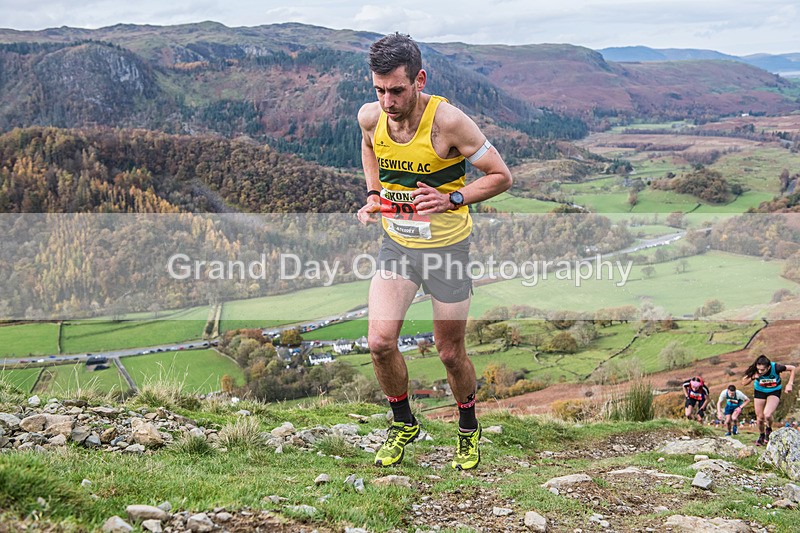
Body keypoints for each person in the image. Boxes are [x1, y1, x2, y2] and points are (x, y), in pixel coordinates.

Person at [356, 33, 512, 470]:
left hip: (447, 250)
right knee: (380, 343)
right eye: (379, 90)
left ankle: (467, 427)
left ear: (419, 80)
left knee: (449, 352)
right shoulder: (371, 117)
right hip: (398, 246)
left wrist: (453, 199)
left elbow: (500, 176)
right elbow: (369, 146)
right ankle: (403, 422)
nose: (387, 101)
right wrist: (373, 193)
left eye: (397, 90)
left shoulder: (449, 123)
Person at [742, 354, 796, 446]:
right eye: (758, 369)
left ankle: (769, 429)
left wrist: (790, 383)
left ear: (769, 367)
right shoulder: (756, 369)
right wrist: (752, 377)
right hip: (760, 391)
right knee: (760, 418)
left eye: (762, 370)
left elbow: (792, 368)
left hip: (774, 391)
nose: (760, 371)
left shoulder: (776, 367)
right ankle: (761, 435)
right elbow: (743, 383)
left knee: (767, 414)